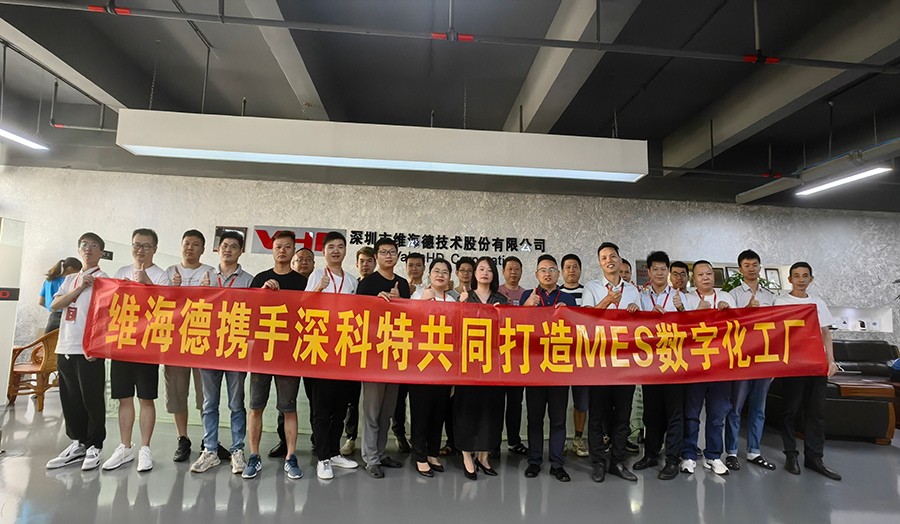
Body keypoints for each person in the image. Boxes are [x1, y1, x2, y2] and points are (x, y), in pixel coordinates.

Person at [243, 231, 309, 480]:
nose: (282, 250)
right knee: (255, 407)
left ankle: (291, 457)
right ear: (272, 250)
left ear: (293, 252)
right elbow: (248, 312)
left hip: (288, 354)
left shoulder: (301, 282)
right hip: (261, 352)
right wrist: (262, 293)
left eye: (287, 247)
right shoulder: (260, 278)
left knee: (288, 408)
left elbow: (307, 316)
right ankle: (254, 456)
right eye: (278, 246)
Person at [104, 228, 171, 473]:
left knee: (146, 398)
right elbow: (110, 305)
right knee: (124, 397)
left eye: (146, 246)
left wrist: (147, 284)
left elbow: (166, 309)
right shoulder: (121, 272)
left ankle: (145, 448)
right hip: (122, 344)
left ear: (155, 249)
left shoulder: (161, 275)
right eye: (136, 245)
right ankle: (125, 447)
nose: (140, 250)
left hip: (147, 346)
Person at [191, 231, 255, 475]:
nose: (228, 249)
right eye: (224, 245)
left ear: (241, 251)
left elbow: (254, 313)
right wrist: (200, 293)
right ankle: (210, 450)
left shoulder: (248, 280)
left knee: (236, 403)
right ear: (218, 249)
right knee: (209, 403)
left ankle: (237, 450)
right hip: (208, 348)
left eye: (234, 246)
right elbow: (192, 309)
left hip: (236, 349)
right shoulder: (205, 277)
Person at [45, 233, 108, 471]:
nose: (88, 249)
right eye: (84, 245)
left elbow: (107, 317)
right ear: (79, 250)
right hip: (65, 345)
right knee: (70, 397)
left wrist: (99, 346)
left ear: (101, 252)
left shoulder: (104, 280)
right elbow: (55, 305)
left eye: (94, 246)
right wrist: (80, 288)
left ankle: (95, 446)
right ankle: (78, 443)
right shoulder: (71, 279)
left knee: (91, 398)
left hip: (88, 349)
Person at [774, 262, 841, 480]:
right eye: (796, 275)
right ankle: (790, 455)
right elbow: (776, 333)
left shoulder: (818, 302)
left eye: (805, 275)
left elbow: (826, 333)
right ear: (789, 280)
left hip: (816, 363)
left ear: (811, 279)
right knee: (790, 411)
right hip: (793, 364)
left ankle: (814, 458)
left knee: (816, 413)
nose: (801, 279)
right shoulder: (780, 302)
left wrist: (831, 360)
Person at [302, 231, 361, 480]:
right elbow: (302, 306)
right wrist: (318, 289)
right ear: (323, 252)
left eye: (340, 247)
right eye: (331, 247)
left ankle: (335, 452)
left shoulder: (352, 281)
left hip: (343, 351)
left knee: (340, 406)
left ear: (345, 251)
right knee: (321, 408)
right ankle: (323, 458)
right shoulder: (317, 275)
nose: (336, 251)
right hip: (320, 350)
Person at [581, 243, 642, 483]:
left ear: (619, 260)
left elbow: (642, 326)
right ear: (600, 263)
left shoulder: (633, 290)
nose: (609, 260)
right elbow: (586, 320)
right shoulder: (592, 288)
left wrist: (637, 311)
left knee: (622, 415)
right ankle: (598, 461)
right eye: (604, 257)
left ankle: (617, 461)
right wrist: (606, 301)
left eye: (613, 256)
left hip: (626, 362)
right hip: (599, 361)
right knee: (597, 414)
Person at [520, 255, 577, 482]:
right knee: (534, 419)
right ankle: (534, 461)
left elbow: (577, 330)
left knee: (558, 419)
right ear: (536, 274)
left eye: (552, 269)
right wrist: (526, 307)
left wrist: (568, 313)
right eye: (543, 270)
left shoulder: (567, 298)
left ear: (558, 274)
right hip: (534, 367)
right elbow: (515, 327)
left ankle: (557, 464)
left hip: (559, 368)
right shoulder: (528, 295)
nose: (547, 273)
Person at [357, 237, 410, 478]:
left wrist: (400, 302)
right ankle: (370, 458)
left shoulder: (403, 284)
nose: (389, 256)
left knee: (387, 410)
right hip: (373, 356)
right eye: (384, 252)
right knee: (372, 410)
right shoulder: (368, 283)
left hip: (396, 354)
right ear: (376, 257)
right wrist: (375, 303)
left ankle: (379, 453)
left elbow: (410, 318)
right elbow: (358, 316)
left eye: (392, 252)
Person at [681, 260, 737, 476]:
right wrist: (697, 312)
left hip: (721, 366)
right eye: (700, 274)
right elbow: (681, 330)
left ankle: (713, 456)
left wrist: (728, 313)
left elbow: (739, 328)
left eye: (709, 274)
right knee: (691, 413)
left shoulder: (727, 297)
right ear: (694, 279)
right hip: (695, 366)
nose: (705, 277)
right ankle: (688, 455)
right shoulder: (687, 299)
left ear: (714, 277)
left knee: (717, 414)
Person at [455, 256, 508, 480]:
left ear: (494, 274)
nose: (484, 272)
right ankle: (467, 456)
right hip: (469, 363)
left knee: (491, 410)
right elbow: (455, 329)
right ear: (474, 274)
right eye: (481, 269)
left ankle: (484, 456)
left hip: (494, 364)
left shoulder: (502, 300)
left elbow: (511, 331)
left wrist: (501, 315)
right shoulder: (466, 297)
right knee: (467, 409)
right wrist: (461, 306)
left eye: (489, 269)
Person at [165, 230, 215, 463]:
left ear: (202, 249)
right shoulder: (169, 272)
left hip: (202, 341)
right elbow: (159, 305)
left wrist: (208, 291)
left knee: (205, 395)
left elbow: (219, 305)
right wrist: (172, 290)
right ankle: (182, 438)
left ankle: (208, 440)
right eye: (187, 243)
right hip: (175, 343)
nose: (190, 248)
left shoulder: (210, 272)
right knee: (176, 393)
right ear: (181, 246)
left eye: (195, 244)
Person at [725, 249, 778, 472]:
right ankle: (731, 452)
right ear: (740, 269)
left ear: (760, 267)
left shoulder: (771, 297)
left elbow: (778, 328)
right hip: (741, 359)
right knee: (736, 407)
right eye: (746, 265)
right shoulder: (733, 295)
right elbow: (728, 326)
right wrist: (746, 310)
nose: (751, 268)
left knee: (759, 407)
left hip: (764, 359)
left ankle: (754, 451)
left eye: (754, 264)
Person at [408, 258, 455, 477]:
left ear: (449, 278)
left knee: (439, 412)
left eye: (445, 272)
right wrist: (422, 303)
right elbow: (409, 324)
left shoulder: (453, 301)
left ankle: (432, 453)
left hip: (444, 366)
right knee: (421, 412)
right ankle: (419, 456)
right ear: (430, 274)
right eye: (437, 271)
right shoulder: (418, 295)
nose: (440, 275)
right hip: (422, 364)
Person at [340, 246, 377, 457]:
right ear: (357, 264)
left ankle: (386, 439)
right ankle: (351, 437)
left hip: (378, 349)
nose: (365, 264)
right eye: (362, 261)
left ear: (375, 262)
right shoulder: (352, 285)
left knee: (379, 400)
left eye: (369, 260)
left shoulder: (384, 284)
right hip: (354, 347)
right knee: (351, 397)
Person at [391, 253, 426, 455]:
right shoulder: (400, 287)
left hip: (421, 352)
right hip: (402, 348)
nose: (414, 269)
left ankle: (418, 436)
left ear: (424, 268)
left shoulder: (430, 290)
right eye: (410, 265)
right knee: (399, 396)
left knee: (418, 398)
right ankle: (399, 434)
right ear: (405, 268)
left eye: (418, 265)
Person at [557, 253, 589, 457]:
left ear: (580, 270)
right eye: (567, 267)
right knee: (558, 401)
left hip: (583, 355)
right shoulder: (556, 294)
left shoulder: (588, 293)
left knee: (582, 401)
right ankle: (559, 439)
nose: (571, 270)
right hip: (560, 355)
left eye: (575, 266)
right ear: (562, 271)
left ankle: (578, 438)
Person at [40, 257, 82, 333]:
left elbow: (41, 301)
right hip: (67, 316)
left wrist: (54, 307)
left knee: (50, 339)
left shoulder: (48, 280)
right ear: (70, 268)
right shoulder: (69, 282)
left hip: (53, 318)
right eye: (78, 271)